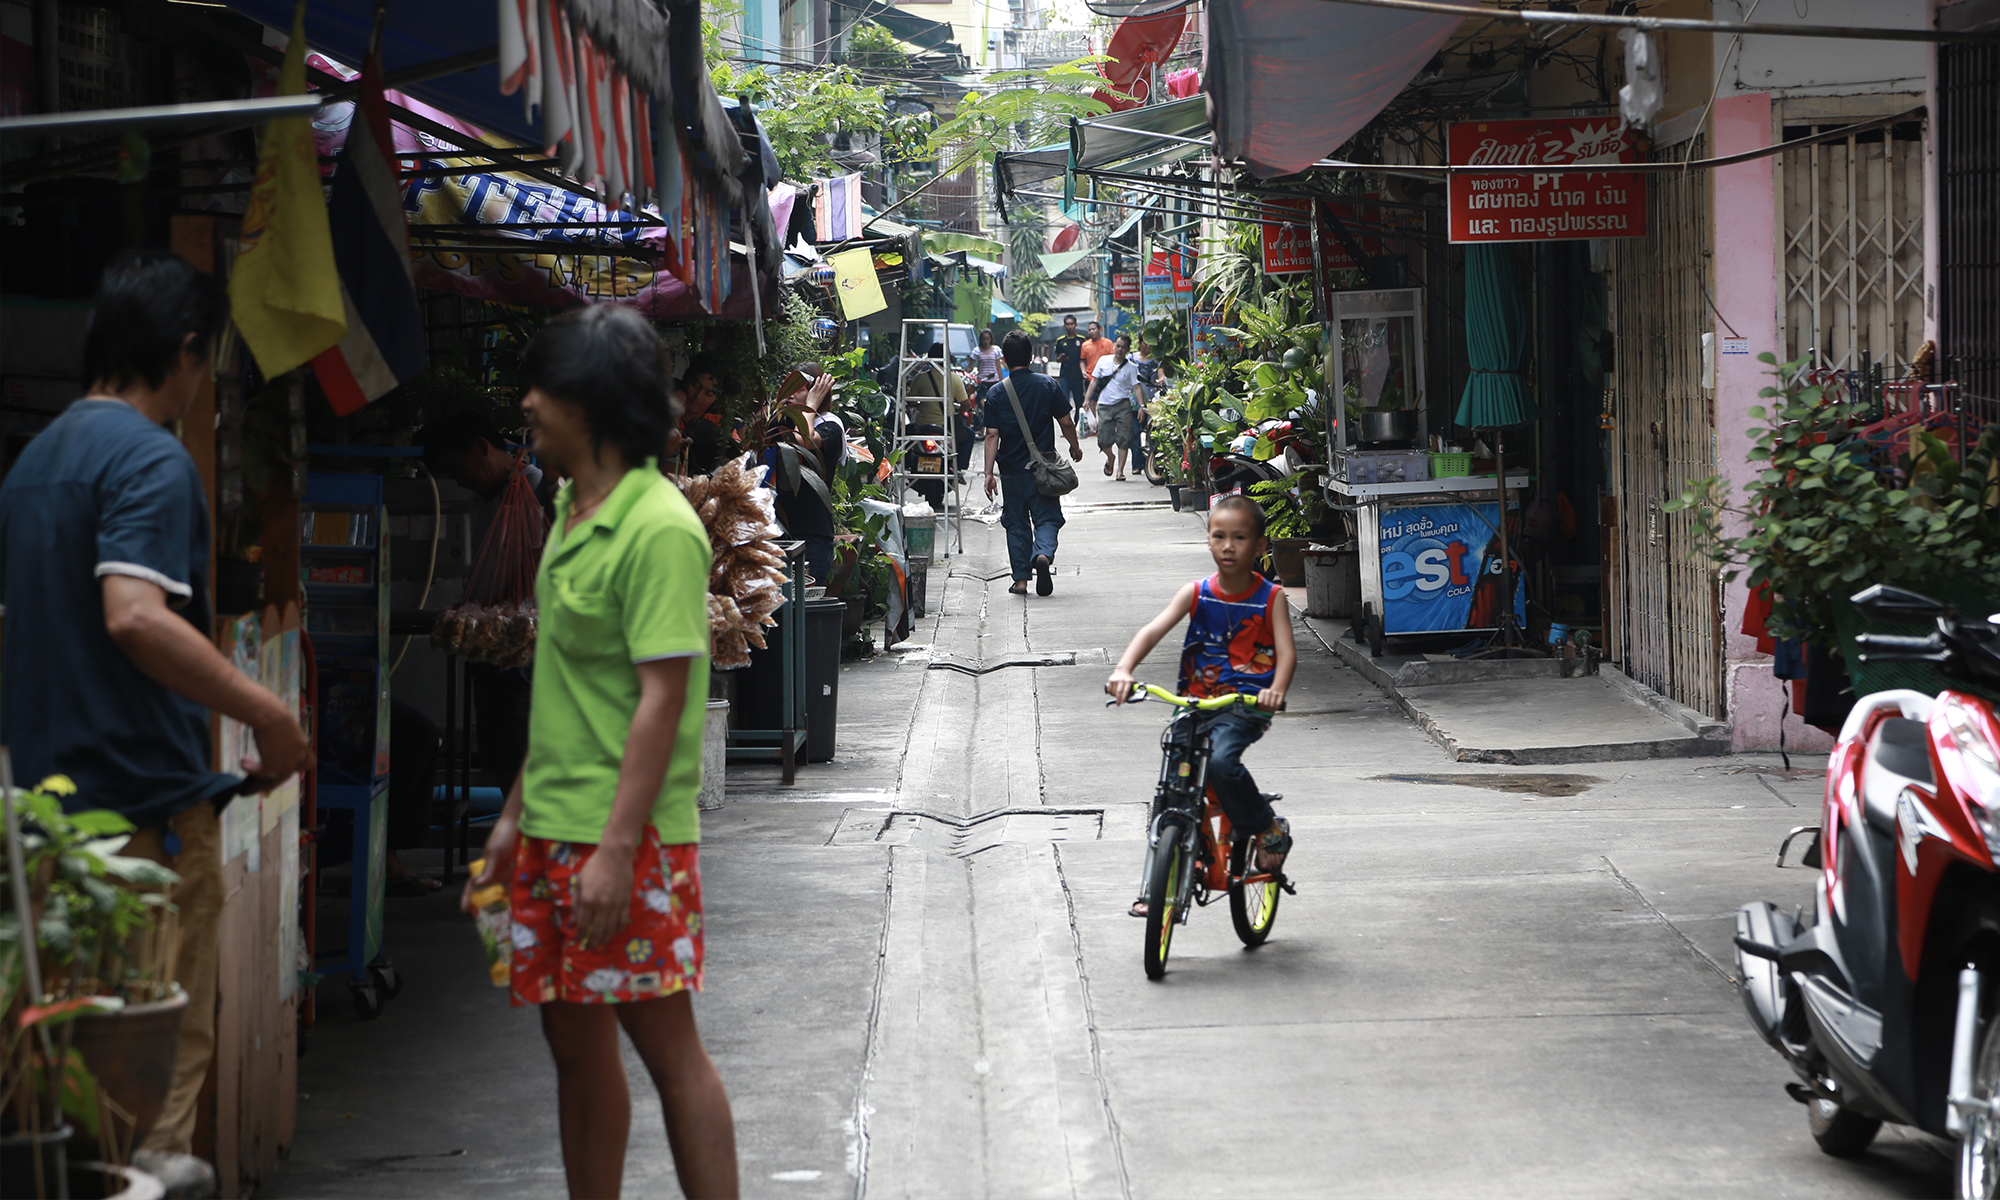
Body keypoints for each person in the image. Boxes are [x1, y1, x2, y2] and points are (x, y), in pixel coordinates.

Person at [0, 249, 313, 1193]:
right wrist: (272, 714)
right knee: (149, 1100)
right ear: (184, 353)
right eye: (209, 364)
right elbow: (133, 614)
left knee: (62, 1090)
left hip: (45, 824)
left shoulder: (32, 465)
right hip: (142, 816)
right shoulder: (151, 458)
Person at [461, 303, 738, 1200]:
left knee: (667, 1050)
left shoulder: (658, 526)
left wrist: (618, 849)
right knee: (573, 1048)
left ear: (591, 401)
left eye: (544, 387)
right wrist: (512, 820)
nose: (529, 403)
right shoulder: (572, 510)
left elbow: (664, 697)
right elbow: (565, 692)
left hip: (627, 837)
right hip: (553, 823)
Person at [1104, 494, 1296, 914]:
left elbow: (1286, 652)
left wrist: (1275, 690)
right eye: (1219, 536)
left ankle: (1266, 828)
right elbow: (1152, 631)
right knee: (1170, 792)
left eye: (1240, 538)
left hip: (1243, 705)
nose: (1229, 546)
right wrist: (1124, 669)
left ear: (1260, 546)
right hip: (1193, 703)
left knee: (1224, 763)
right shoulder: (1196, 593)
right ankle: (1154, 887)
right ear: (1208, 541)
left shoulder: (1271, 598)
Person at [421, 410, 547, 808]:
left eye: (459, 467)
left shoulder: (539, 491)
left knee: (521, 741)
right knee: (501, 747)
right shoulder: (491, 499)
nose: (459, 480)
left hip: (524, 651)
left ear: (481, 447)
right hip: (493, 648)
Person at [983, 330, 1083, 597]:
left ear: (1003, 360)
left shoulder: (995, 393)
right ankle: (1043, 554)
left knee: (1015, 523)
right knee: (1047, 518)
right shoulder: (1048, 384)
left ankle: (1021, 581)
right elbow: (1066, 422)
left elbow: (991, 435)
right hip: (1043, 469)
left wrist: (988, 473)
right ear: (1031, 356)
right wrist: (1074, 447)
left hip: (1012, 471)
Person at [766, 363, 843, 587]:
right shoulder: (781, 423)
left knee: (804, 607)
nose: (791, 393)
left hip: (813, 535)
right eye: (789, 386)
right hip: (778, 531)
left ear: (816, 393)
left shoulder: (830, 426)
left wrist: (810, 407)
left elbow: (806, 441)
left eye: (798, 388)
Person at [1084, 333, 1143, 481]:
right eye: (1117, 346)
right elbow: (1094, 381)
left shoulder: (1131, 367)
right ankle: (1110, 457)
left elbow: (1136, 387)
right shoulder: (1103, 361)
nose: (1119, 349)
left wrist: (1142, 406)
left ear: (1128, 349)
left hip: (1123, 405)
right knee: (1103, 439)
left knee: (1124, 439)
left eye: (1123, 347)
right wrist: (1087, 399)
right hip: (1104, 406)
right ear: (1114, 346)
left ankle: (1120, 471)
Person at [1051, 315, 1087, 417]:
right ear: (1064, 326)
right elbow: (1057, 358)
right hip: (1064, 376)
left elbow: (1084, 358)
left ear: (1075, 325)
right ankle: (1067, 425)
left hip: (1078, 376)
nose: (1070, 326)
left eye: (1072, 324)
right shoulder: (1060, 341)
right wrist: (1060, 358)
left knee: (1079, 402)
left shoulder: (1082, 340)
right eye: (1068, 324)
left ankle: (1077, 426)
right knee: (1064, 402)